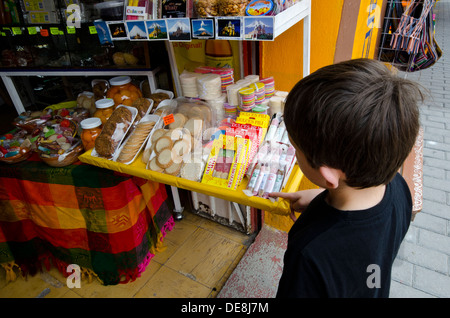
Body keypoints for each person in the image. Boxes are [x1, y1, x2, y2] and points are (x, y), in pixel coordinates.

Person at [269, 58, 424, 297]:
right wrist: (320, 199)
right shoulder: (397, 188)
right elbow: (363, 223)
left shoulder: (311, 254)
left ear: (328, 176)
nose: (295, 153)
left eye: (296, 148)